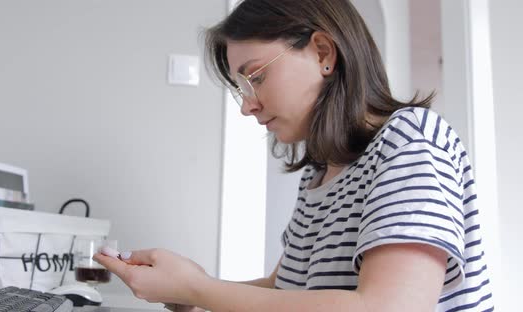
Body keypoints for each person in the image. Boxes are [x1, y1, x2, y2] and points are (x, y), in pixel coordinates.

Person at [94, 0, 494, 311]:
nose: (247, 106)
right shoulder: (319, 174)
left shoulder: (409, 140)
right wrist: (195, 294)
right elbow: (287, 288)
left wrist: (201, 288)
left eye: (256, 77)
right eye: (241, 88)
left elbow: (386, 307)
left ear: (323, 53)